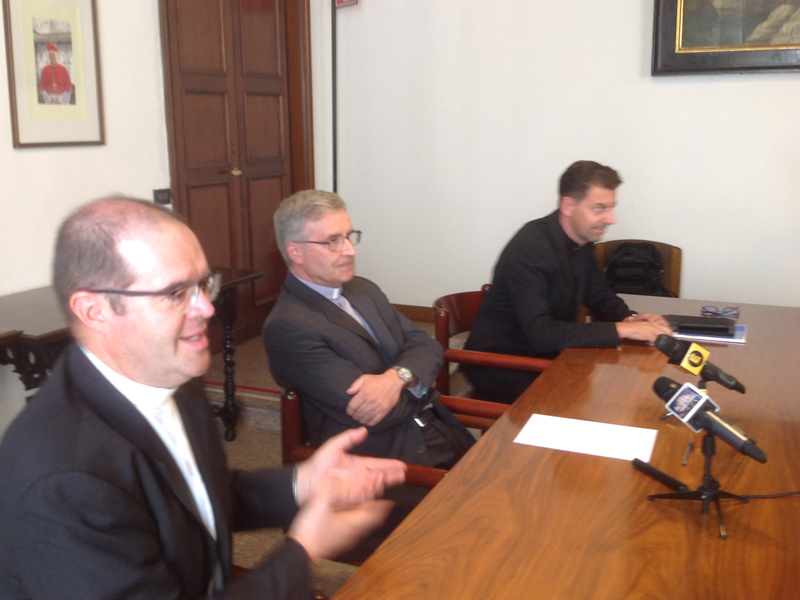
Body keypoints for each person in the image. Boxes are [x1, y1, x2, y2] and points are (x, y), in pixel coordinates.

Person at [0, 197, 405, 600]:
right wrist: (304, 550)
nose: (207, 307)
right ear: (94, 311)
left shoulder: (174, 376)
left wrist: (303, 483)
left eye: (203, 283)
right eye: (176, 292)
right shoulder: (64, 481)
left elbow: (197, 498)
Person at [263, 190, 474, 469]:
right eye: (333, 241)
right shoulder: (288, 326)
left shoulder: (362, 289)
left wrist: (397, 377)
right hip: (383, 462)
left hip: (438, 428)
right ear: (295, 252)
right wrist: (418, 380)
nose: (350, 250)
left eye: (349, 236)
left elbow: (426, 344)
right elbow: (379, 414)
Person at [463, 160, 673, 403]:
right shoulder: (531, 248)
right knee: (607, 398)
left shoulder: (580, 241)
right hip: (502, 366)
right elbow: (542, 334)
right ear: (568, 205)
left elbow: (599, 296)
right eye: (599, 208)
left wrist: (630, 319)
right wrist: (622, 330)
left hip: (545, 355)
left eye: (611, 208)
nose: (611, 219)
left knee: (622, 387)